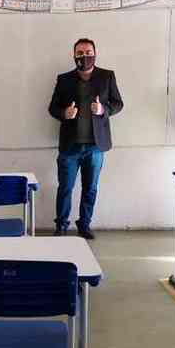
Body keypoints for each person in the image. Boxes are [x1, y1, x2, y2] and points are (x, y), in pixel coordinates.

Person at [48, 38, 124, 239]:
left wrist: (102, 110)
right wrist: (65, 113)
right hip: (70, 146)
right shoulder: (64, 79)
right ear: (74, 56)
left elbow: (118, 103)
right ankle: (61, 225)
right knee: (65, 188)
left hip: (95, 146)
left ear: (95, 54)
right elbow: (52, 108)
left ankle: (84, 225)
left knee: (90, 188)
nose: (84, 57)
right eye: (80, 53)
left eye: (88, 52)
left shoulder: (107, 76)